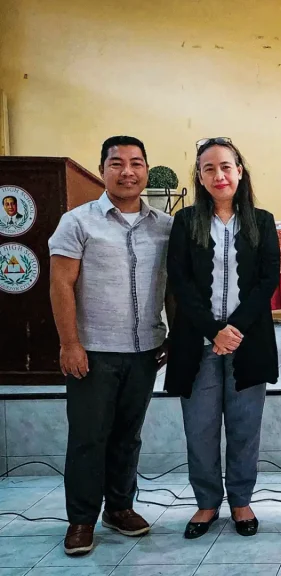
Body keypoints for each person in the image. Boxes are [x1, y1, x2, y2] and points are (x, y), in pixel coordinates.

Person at [48, 135, 173, 556]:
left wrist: (173, 336)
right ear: (102, 170)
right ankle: (82, 519)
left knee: (127, 436)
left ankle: (119, 508)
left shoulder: (165, 226)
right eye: (117, 163)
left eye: (136, 163)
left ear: (146, 170)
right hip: (94, 350)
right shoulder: (77, 222)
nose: (127, 172)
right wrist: (70, 344)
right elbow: (60, 284)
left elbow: (174, 287)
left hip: (144, 350)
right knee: (89, 437)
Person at [165, 137, 281, 539]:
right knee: (200, 427)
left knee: (245, 427)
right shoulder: (185, 222)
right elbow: (180, 281)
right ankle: (207, 502)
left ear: (240, 171)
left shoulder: (261, 221)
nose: (219, 175)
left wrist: (234, 330)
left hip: (248, 342)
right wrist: (213, 330)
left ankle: (241, 500)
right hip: (197, 343)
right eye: (209, 168)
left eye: (226, 166)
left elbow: (267, 279)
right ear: (199, 176)